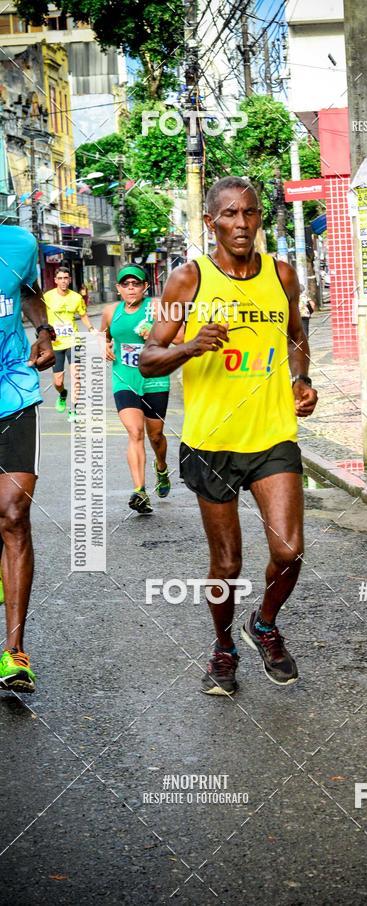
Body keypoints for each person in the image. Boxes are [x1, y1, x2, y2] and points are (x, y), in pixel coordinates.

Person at [140, 176, 318, 696]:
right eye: (230, 215)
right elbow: (150, 356)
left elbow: (295, 335)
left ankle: (263, 624)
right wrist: (191, 346)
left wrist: (301, 379)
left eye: (251, 214)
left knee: (289, 552)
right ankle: (223, 647)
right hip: (211, 441)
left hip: (271, 436)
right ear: (211, 221)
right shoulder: (187, 281)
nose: (242, 224)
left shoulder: (282, 275)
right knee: (228, 563)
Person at [0, 225, 55, 693]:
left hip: (13, 391)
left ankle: (14, 651)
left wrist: (43, 331)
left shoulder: (21, 244)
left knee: (14, 515)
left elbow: (31, 294)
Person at [101, 265, 173, 515]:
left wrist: (155, 333)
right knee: (135, 432)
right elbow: (104, 336)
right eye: (126, 284)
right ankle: (140, 491)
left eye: (136, 284)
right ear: (119, 288)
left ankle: (161, 467)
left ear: (145, 287)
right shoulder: (111, 312)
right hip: (125, 379)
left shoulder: (156, 308)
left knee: (155, 436)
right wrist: (105, 345)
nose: (131, 288)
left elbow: (182, 337)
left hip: (155, 378)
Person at [43, 266, 96, 421]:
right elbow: (41, 317)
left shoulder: (76, 298)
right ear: (55, 281)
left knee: (76, 376)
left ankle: (74, 410)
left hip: (73, 341)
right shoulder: (47, 297)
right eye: (60, 278)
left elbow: (83, 316)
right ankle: (62, 394)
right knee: (58, 381)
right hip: (56, 343)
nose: (63, 281)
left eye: (66, 278)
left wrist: (91, 329)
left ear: (70, 280)